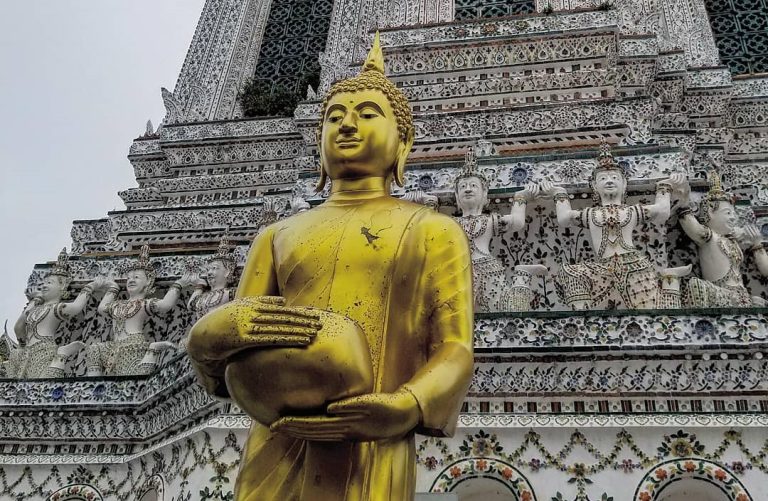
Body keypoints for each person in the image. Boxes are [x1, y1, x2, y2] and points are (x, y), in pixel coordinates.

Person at [187, 33, 474, 501]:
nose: (346, 125)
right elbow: (235, 357)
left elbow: (456, 347)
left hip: (371, 434)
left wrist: (407, 405)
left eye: (366, 114)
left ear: (403, 142)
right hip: (278, 432)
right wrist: (206, 342)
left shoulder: (432, 229)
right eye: (333, 116)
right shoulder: (276, 235)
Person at [541, 141, 685, 309]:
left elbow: (662, 211)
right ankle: (581, 321)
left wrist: (665, 185)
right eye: (603, 178)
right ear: (594, 186)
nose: (609, 181)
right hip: (603, 267)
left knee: (647, 310)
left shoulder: (631, 211)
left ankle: (670, 282)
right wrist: (559, 193)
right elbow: (565, 218)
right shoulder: (591, 214)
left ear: (624, 185)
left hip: (635, 266)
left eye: (615, 178)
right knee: (571, 272)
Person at [454, 147, 541, 311]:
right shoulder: (450, 223)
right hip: (456, 270)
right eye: (463, 186)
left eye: (473, 185)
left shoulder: (490, 219)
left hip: (488, 268)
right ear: (456, 196)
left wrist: (520, 197)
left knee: (502, 307)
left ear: (484, 194)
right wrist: (426, 201)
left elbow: (517, 222)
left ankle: (522, 276)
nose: (468, 189)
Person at [87, 245, 194, 376]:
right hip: (113, 346)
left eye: (136, 277)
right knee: (94, 349)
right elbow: (101, 308)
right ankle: (95, 387)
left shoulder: (143, 304)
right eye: (129, 278)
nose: (131, 280)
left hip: (133, 345)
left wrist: (179, 284)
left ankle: (153, 349)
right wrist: (113, 287)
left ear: (148, 282)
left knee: (132, 379)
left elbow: (165, 305)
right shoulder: (117, 304)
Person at [677, 169, 766, 307]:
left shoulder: (732, 241)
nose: (733, 217)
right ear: (711, 213)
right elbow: (691, 226)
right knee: (696, 286)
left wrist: (755, 242)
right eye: (727, 213)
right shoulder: (708, 236)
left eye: (733, 213)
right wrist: (683, 204)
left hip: (741, 295)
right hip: (720, 293)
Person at [9, 248, 101, 378]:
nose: (44, 286)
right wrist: (36, 299)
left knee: (42, 383)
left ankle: (62, 354)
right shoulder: (35, 309)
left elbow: (76, 307)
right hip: (27, 352)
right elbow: (18, 327)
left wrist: (91, 287)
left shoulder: (56, 308)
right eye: (43, 283)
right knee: (21, 385)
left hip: (44, 349)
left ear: (62, 286)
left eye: (49, 283)